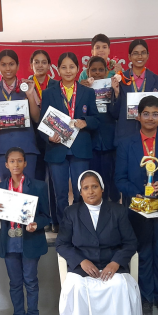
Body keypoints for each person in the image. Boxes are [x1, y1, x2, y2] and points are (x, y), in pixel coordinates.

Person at [57, 170, 141, 315]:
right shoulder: (71, 212)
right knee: (78, 288)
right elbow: (62, 244)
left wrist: (115, 263)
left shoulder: (118, 210)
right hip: (82, 267)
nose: (90, 191)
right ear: (80, 192)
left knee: (119, 285)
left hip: (112, 264)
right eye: (85, 188)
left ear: (102, 189)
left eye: (94, 186)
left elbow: (130, 242)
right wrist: (81, 261)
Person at [115, 95, 158, 315]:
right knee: (143, 254)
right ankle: (145, 300)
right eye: (146, 114)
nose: (150, 118)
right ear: (138, 116)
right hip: (138, 208)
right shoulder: (126, 143)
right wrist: (136, 192)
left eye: (155, 114)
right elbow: (119, 179)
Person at [0, 147, 50, 315]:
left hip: (30, 239)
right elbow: (0, 216)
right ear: (6, 164)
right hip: (9, 241)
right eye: (12, 161)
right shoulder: (0, 188)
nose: (16, 164)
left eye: (19, 161)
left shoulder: (39, 186)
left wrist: (36, 224)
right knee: (15, 282)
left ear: (25, 163)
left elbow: (46, 216)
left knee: (31, 281)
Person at [40, 52, 99, 227]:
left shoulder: (87, 92)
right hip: (57, 149)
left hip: (80, 148)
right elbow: (42, 123)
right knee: (60, 193)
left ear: (78, 69)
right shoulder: (48, 93)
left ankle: (81, 225)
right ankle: (63, 225)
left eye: (71, 67)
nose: (68, 71)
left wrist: (86, 121)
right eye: (64, 67)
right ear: (57, 69)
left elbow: (96, 119)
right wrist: (49, 137)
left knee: (82, 191)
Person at [0, 49, 41, 179]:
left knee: (28, 186)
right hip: (0, 148)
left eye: (11, 64)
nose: (8, 68)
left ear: (18, 66)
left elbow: (37, 118)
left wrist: (30, 95)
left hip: (26, 147)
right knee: (6, 187)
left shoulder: (27, 87)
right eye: (3, 64)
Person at [111, 39, 158, 146]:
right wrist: (116, 93)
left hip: (150, 135)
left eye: (143, 53)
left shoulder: (157, 80)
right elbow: (114, 113)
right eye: (135, 53)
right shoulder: (120, 79)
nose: (140, 57)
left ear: (147, 56)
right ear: (129, 57)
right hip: (125, 134)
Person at [29, 49, 58, 232]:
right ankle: (40, 219)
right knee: (38, 181)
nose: (40, 65)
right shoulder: (25, 85)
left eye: (44, 62)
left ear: (49, 66)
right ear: (31, 65)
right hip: (33, 138)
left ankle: (55, 219)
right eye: (36, 62)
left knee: (55, 182)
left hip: (54, 138)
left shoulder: (56, 85)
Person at [84, 56, 120, 202]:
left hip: (109, 141)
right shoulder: (82, 89)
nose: (97, 73)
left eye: (101, 70)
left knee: (112, 179)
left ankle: (114, 208)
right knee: (94, 179)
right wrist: (83, 90)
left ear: (106, 72)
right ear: (88, 72)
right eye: (94, 70)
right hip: (91, 142)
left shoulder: (112, 87)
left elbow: (116, 113)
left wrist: (116, 93)